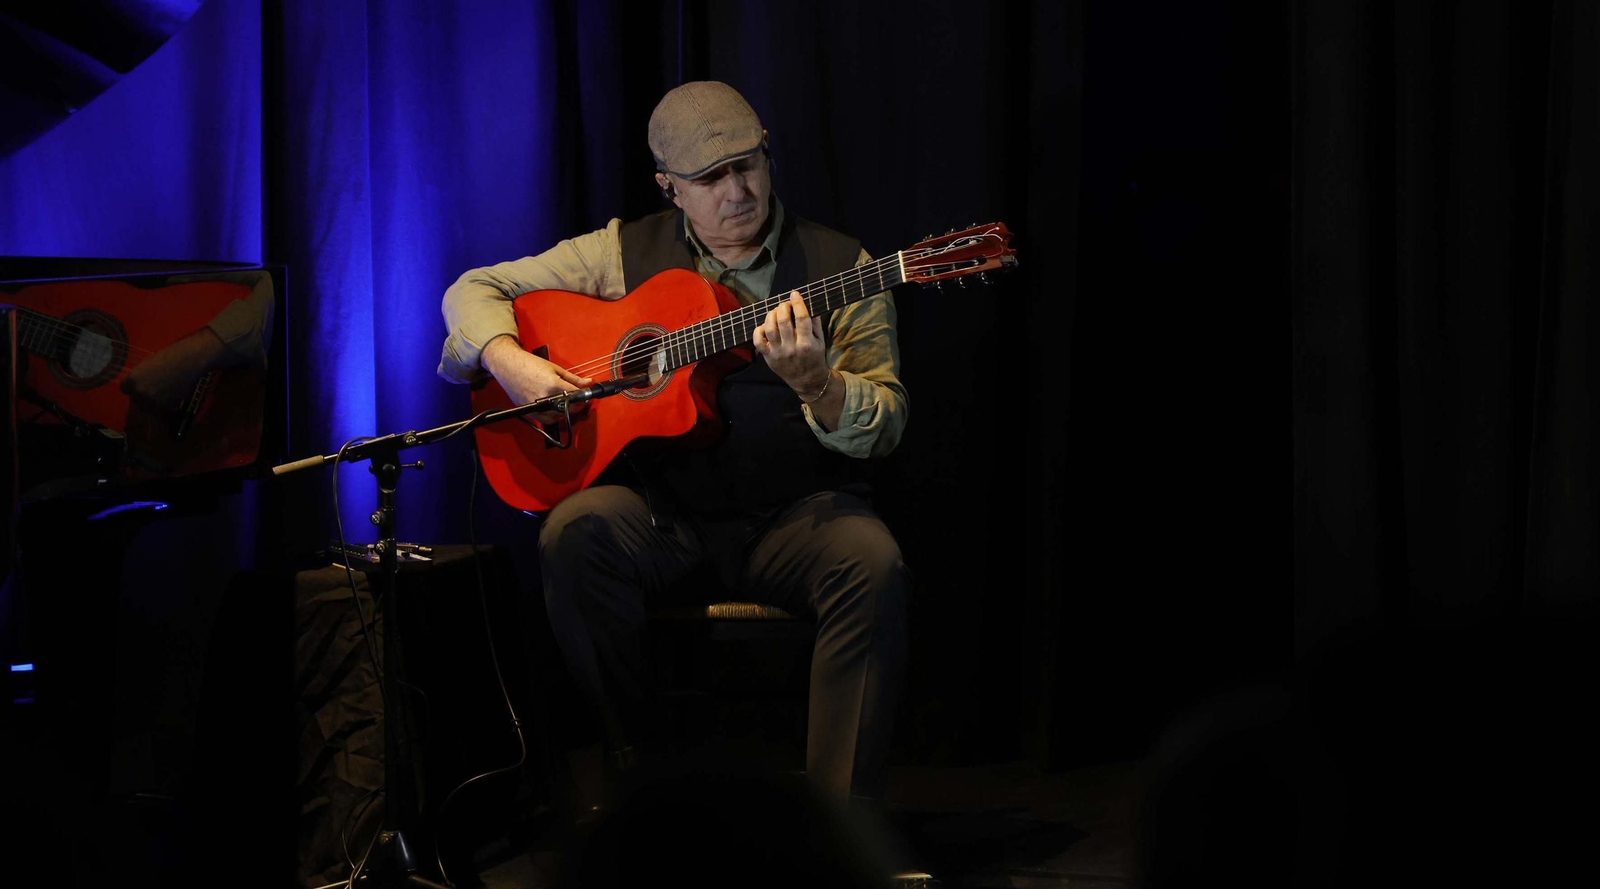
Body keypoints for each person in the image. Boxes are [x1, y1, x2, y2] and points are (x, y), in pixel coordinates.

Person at [437, 81, 910, 814]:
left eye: (748, 166)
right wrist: (511, 361)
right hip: (666, 516)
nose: (737, 190)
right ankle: (641, 783)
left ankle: (843, 829)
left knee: (873, 562)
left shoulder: (846, 266)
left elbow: (885, 420)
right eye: (710, 178)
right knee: (574, 533)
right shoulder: (620, 253)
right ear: (670, 188)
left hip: (793, 514)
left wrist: (820, 387)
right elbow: (473, 288)